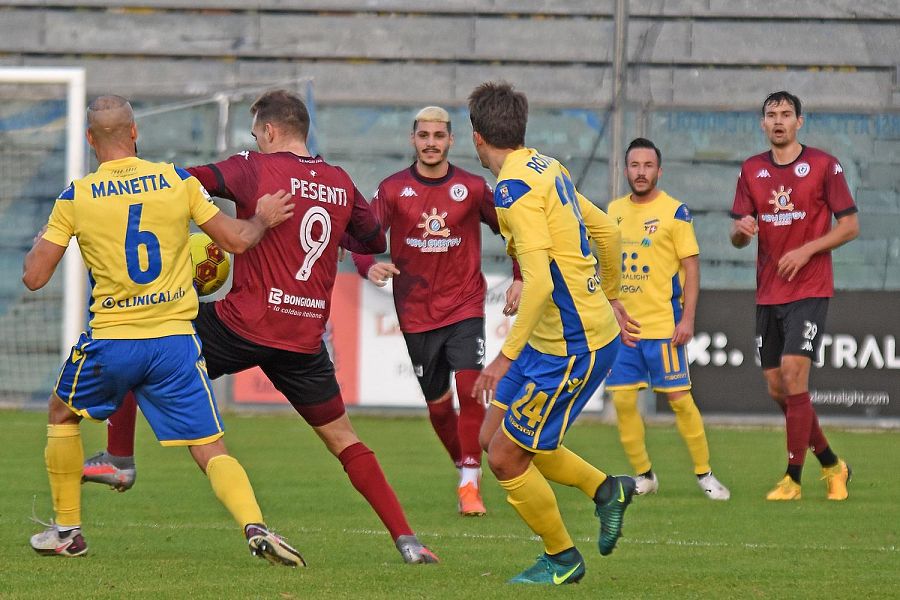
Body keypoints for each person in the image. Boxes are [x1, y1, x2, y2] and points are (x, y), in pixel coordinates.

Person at [82, 90, 438, 563]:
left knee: (140, 339)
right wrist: (336, 232)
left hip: (241, 325)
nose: (255, 141)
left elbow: (181, 180)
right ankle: (408, 541)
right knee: (345, 440)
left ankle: (120, 458)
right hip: (303, 340)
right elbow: (372, 236)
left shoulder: (253, 168)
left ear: (269, 131)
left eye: (255, 134)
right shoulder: (340, 182)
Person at [23, 95, 303, 566]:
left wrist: (40, 243)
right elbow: (237, 241)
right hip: (175, 343)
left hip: (113, 340)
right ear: (135, 132)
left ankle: (68, 532)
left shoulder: (77, 196)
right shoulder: (176, 180)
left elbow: (34, 277)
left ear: (90, 139)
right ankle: (255, 525)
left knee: (61, 412)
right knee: (209, 446)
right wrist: (262, 217)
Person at [468, 81, 639, 585]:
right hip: (554, 337)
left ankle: (562, 559)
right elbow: (607, 231)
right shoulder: (547, 167)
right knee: (491, 438)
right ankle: (607, 489)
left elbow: (541, 281)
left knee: (506, 457)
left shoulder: (511, 188)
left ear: (477, 137)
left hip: (571, 346)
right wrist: (610, 294)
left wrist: (503, 356)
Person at [347, 106, 522, 517]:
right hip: (415, 312)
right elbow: (362, 237)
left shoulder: (473, 187)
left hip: (465, 306)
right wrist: (368, 266)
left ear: (451, 140)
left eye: (438, 136)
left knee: (471, 389)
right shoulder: (393, 189)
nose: (431, 143)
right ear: (413, 139)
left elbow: (515, 229)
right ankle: (464, 466)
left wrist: (519, 276)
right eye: (423, 135)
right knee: (439, 407)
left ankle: (470, 483)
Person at [730, 90, 858, 501]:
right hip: (769, 291)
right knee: (777, 387)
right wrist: (740, 231)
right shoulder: (751, 169)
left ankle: (793, 478)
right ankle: (833, 465)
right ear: (763, 123)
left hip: (810, 287)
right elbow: (738, 236)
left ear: (799, 121)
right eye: (772, 115)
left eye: (786, 114)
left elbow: (850, 225)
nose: (779, 121)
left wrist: (807, 251)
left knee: (792, 374)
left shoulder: (824, 165)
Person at [605, 138, 730, 500]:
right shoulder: (613, 211)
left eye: (648, 166)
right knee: (623, 402)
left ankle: (705, 474)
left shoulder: (675, 212)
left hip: (662, 327)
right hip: (623, 329)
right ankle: (644, 475)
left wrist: (687, 319)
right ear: (625, 170)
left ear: (659, 171)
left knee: (679, 400)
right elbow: (605, 264)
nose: (640, 172)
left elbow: (691, 268)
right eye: (634, 165)